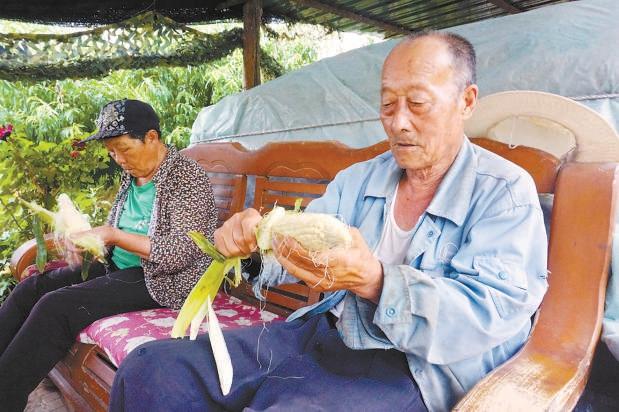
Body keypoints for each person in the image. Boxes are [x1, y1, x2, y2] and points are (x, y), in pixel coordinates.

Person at [109, 32, 548, 412]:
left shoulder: (504, 192)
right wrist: (258, 244)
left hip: (417, 368)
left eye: (417, 104)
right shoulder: (361, 178)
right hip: (326, 331)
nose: (398, 123)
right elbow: (302, 239)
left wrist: (377, 282)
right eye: (388, 104)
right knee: (152, 369)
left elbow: (490, 313)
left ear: (466, 101)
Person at [0, 99, 218, 411]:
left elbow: (181, 252)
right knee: (30, 289)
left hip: (162, 280)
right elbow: (121, 229)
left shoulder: (185, 177)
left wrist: (112, 234)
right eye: (111, 152)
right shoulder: (134, 175)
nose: (118, 159)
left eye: (123, 149)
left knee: (56, 307)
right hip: (119, 265)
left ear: (152, 138)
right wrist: (91, 242)